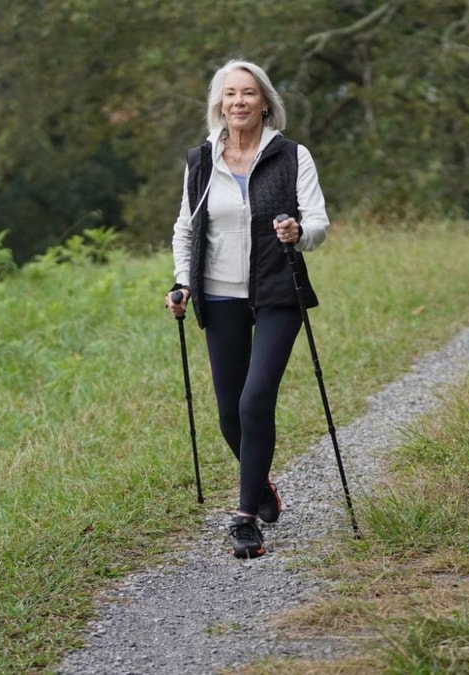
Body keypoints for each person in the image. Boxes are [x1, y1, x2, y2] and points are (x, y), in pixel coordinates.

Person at [165, 59, 330, 559]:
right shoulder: (200, 161)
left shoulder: (292, 156)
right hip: (219, 294)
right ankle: (260, 486)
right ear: (220, 104)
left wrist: (298, 232)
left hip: (278, 289)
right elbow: (186, 230)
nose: (239, 101)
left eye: (248, 93)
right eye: (230, 93)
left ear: (265, 103)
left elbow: (318, 224)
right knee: (228, 414)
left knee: (255, 400)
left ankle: (244, 518)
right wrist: (182, 283)